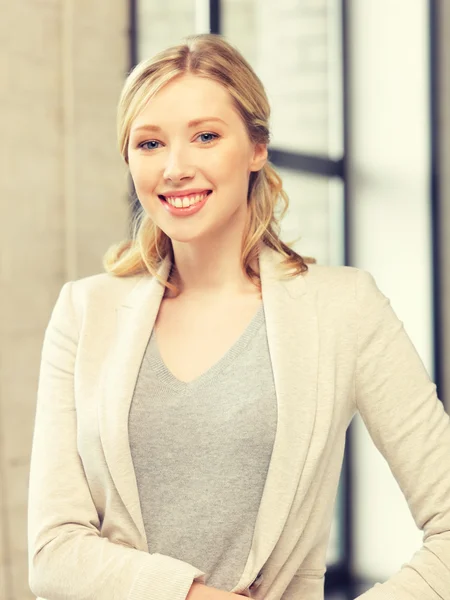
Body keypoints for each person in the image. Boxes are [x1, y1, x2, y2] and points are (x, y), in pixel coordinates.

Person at [27, 33, 450, 600]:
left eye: (205, 136)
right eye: (149, 144)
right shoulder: (84, 313)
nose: (176, 168)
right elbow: (53, 552)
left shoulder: (345, 309)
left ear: (256, 148)